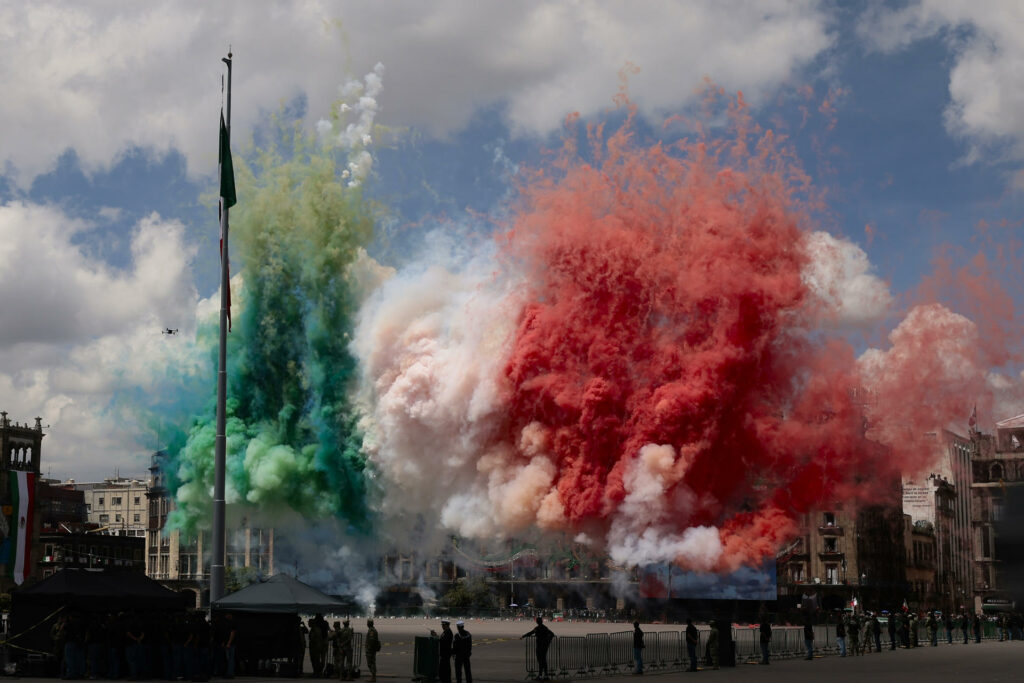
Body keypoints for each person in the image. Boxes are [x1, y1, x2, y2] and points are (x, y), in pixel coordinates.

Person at [364, 619, 380, 683]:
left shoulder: (372, 631)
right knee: (371, 663)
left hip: (371, 650)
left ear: (369, 624)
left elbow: (372, 641)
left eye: (367, 623)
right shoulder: (372, 630)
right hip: (371, 649)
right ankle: (373, 676)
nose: (367, 624)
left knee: (371, 663)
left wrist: (369, 648)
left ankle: (373, 677)